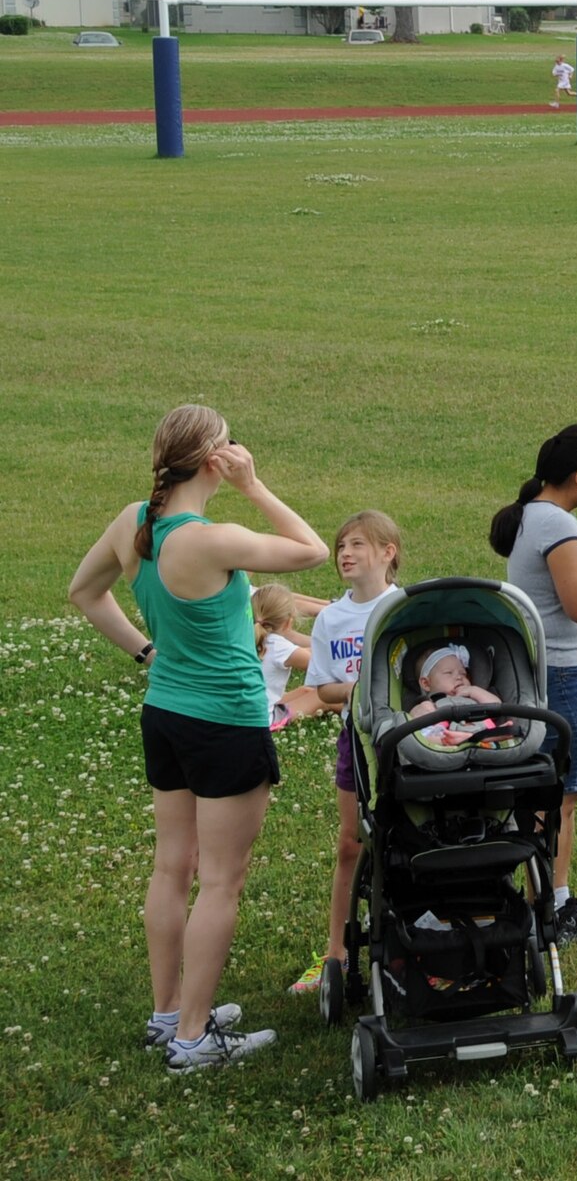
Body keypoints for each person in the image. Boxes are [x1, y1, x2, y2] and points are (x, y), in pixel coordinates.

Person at [68, 405, 328, 1072]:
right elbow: (312, 550)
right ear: (215, 459)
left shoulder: (136, 522)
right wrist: (255, 485)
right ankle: (192, 1038)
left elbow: (85, 591)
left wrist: (146, 650)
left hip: (167, 715)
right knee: (219, 882)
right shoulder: (212, 539)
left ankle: (168, 1014)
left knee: (171, 866)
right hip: (227, 724)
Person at [490, 424, 577, 942]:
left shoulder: (537, 517)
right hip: (568, 676)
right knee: (562, 797)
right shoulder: (559, 528)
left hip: (564, 669)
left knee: (555, 795)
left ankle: (544, 898)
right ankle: (552, 907)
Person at [288, 510, 403, 998]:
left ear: (387, 552)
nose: (345, 555)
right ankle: (335, 953)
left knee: (406, 844)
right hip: (356, 743)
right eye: (340, 548)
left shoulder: (404, 608)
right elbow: (322, 690)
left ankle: (410, 947)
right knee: (351, 844)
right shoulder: (332, 618)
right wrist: (357, 690)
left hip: (404, 743)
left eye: (356, 545)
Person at [252, 583, 318, 731]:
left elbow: (304, 652)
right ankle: (356, 709)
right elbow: (318, 662)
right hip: (264, 720)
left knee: (306, 691)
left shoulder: (246, 638)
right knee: (321, 697)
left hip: (243, 713)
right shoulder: (280, 648)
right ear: (288, 622)